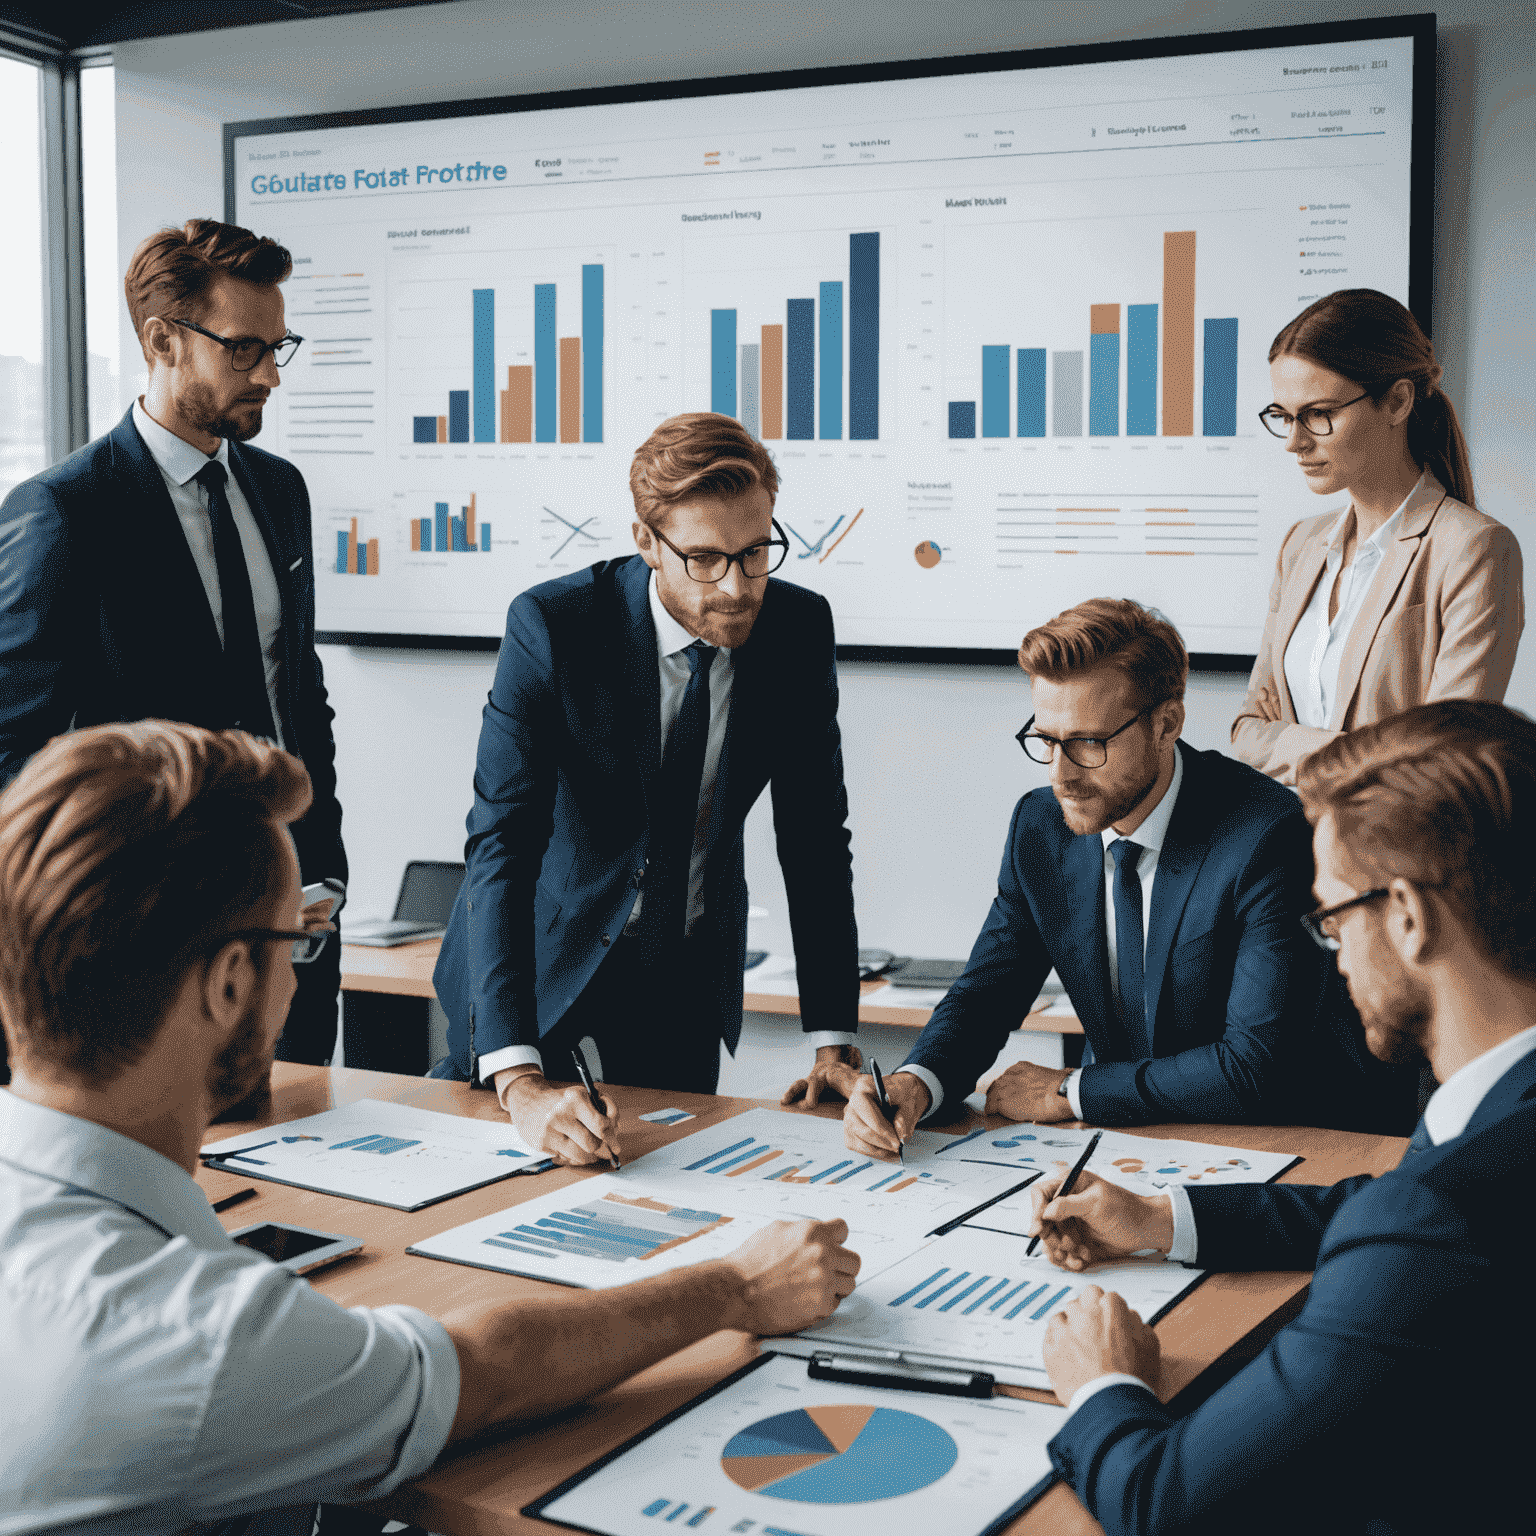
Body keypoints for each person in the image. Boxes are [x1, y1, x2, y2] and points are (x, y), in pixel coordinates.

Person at [0, 720, 860, 1535]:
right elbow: (483, 1374)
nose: (295, 984)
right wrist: (736, 1287)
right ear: (228, 984)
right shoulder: (186, 1342)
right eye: (293, 943)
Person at [1028, 699, 1534, 1534]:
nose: (1332, 957)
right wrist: (1161, 1216)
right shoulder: (1492, 1131)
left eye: (1333, 918)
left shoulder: (1436, 1221)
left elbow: (1167, 1504)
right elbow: (1391, 1206)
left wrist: (1100, 1381)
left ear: (1407, 916)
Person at [431, 412, 861, 1162]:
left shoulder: (798, 629)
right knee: (513, 1189)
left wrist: (833, 1043)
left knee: (676, 1196)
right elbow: (501, 844)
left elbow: (815, 837)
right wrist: (519, 1079)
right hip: (542, 966)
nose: (736, 587)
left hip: (682, 975)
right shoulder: (554, 628)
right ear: (645, 542)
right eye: (704, 559)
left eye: (756, 552)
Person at [842, 598, 1414, 1158]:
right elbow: (989, 991)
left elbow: (1252, 1065)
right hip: (1129, 1147)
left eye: (1088, 743)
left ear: (1167, 724)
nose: (1062, 775)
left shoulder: (1265, 834)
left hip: (1294, 1145)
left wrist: (1071, 1090)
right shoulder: (1040, 827)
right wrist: (918, 1082)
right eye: (1046, 740)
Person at [0, 218, 346, 1071]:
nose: (269, 372)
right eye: (245, 348)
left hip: (291, 915)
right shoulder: (65, 512)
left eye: (279, 346)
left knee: (298, 1160)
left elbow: (296, 689)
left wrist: (325, 856)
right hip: (147, 940)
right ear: (162, 340)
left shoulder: (279, 490)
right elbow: (15, 754)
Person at [1233, 288, 1523, 785]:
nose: (1295, 442)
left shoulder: (1472, 549)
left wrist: (1292, 747)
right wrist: (1361, 753)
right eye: (1283, 416)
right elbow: (1245, 732)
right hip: (1279, 848)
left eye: (1319, 414)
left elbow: (1441, 762)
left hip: (1391, 856)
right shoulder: (1300, 545)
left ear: (1397, 401)